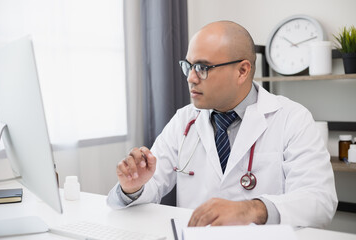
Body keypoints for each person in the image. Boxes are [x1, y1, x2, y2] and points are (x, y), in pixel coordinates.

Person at [107, 21, 338, 228]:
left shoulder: (292, 118)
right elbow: (152, 185)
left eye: (203, 67)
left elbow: (319, 200)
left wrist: (252, 209)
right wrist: (134, 187)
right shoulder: (184, 120)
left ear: (242, 71)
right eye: (189, 66)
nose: (191, 78)